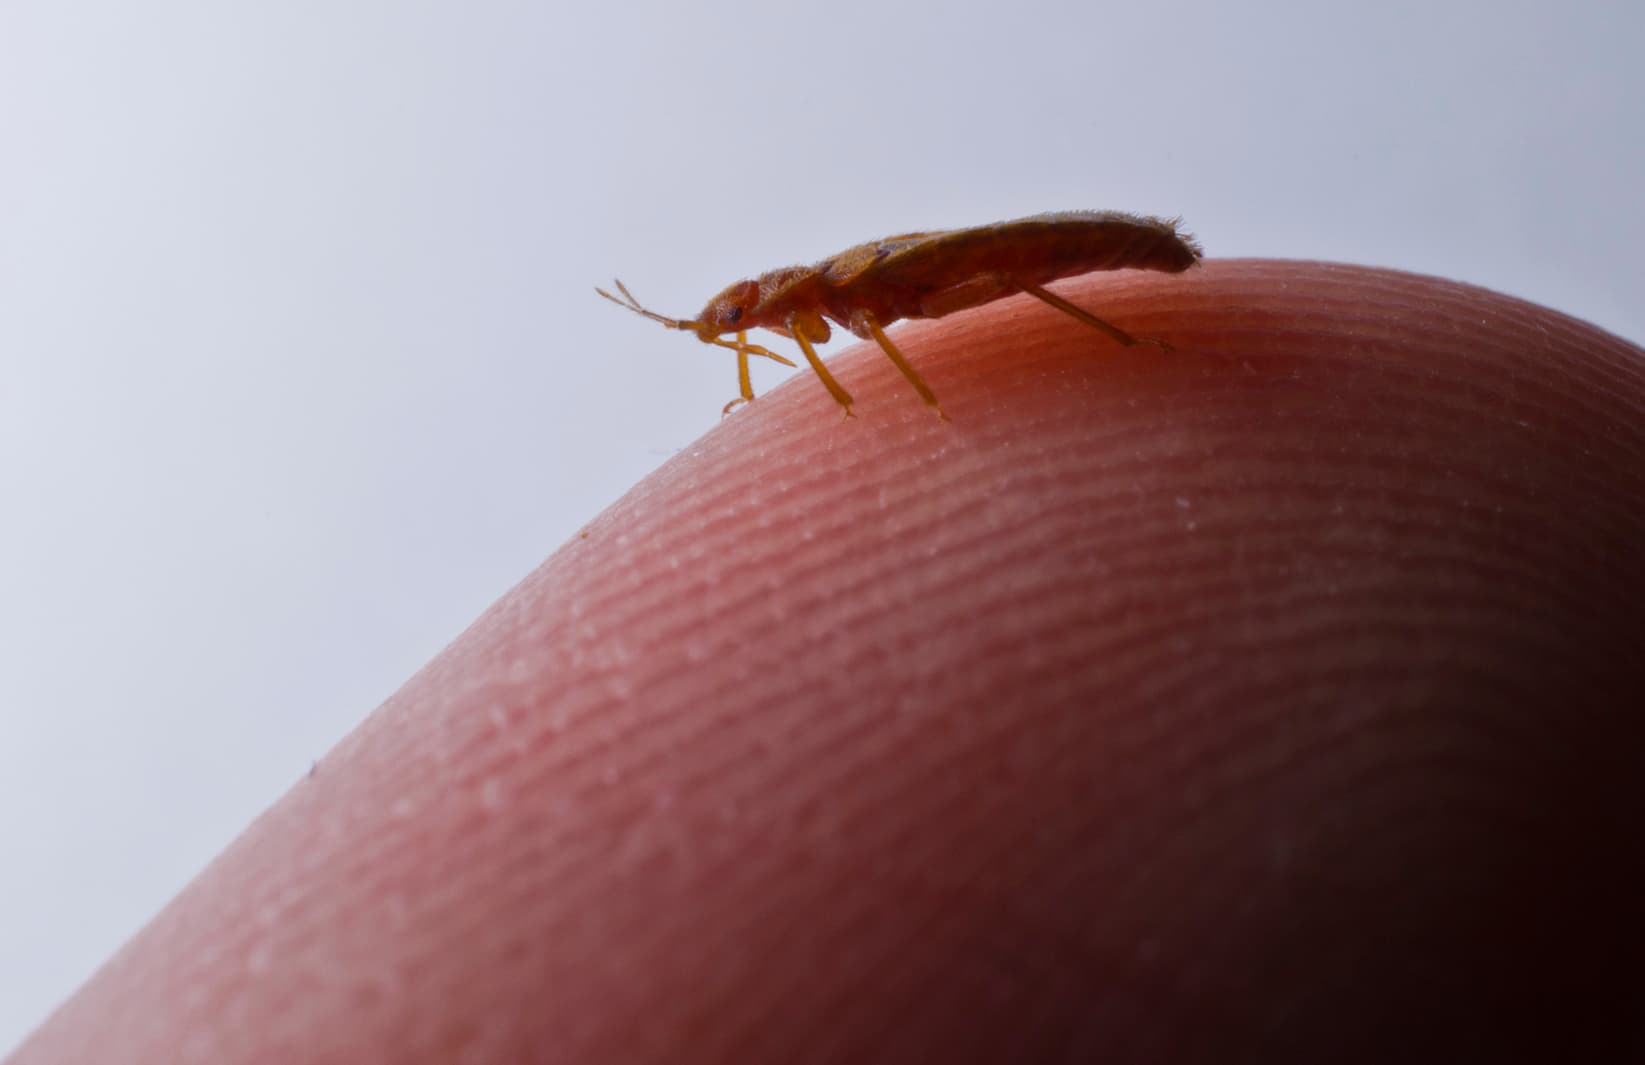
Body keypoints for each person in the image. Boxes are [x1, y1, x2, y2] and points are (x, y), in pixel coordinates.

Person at [11, 261, 1644, 1064]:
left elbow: (848, 355)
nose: (741, 349)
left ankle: (1131, 308)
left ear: (766, 312)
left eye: (735, 335)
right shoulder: (807, 324)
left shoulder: (843, 308)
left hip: (1007, 273)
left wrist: (877, 393)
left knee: (1025, 285)